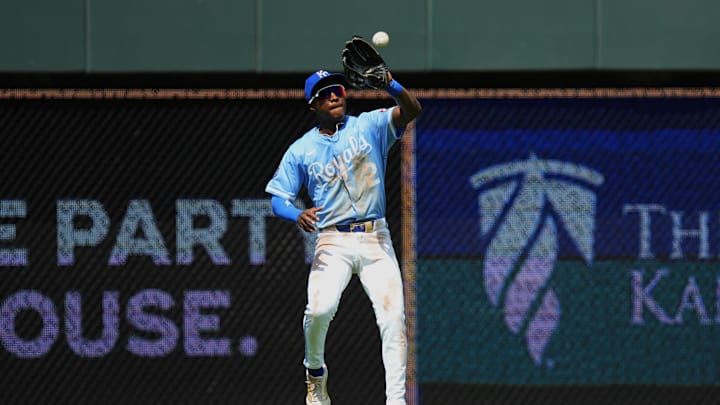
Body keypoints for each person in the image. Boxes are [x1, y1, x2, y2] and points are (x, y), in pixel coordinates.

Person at [265, 68, 422, 405]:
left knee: (393, 317)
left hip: (375, 238)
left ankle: (396, 401)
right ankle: (315, 373)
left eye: (336, 88)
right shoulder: (301, 149)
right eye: (323, 93)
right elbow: (278, 199)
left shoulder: (370, 125)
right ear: (312, 104)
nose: (333, 95)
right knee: (320, 309)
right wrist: (297, 213)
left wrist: (391, 85)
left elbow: (412, 110)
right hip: (333, 241)